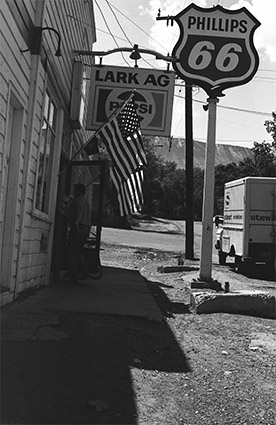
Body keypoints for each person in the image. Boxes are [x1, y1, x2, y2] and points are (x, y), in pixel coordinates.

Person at [67, 183, 91, 284]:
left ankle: (74, 276)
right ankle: (84, 271)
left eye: (76, 190)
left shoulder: (78, 201)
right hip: (86, 228)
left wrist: (76, 223)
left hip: (79, 227)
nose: (74, 192)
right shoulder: (86, 202)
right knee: (78, 251)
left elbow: (79, 212)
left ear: (79, 191)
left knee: (72, 252)